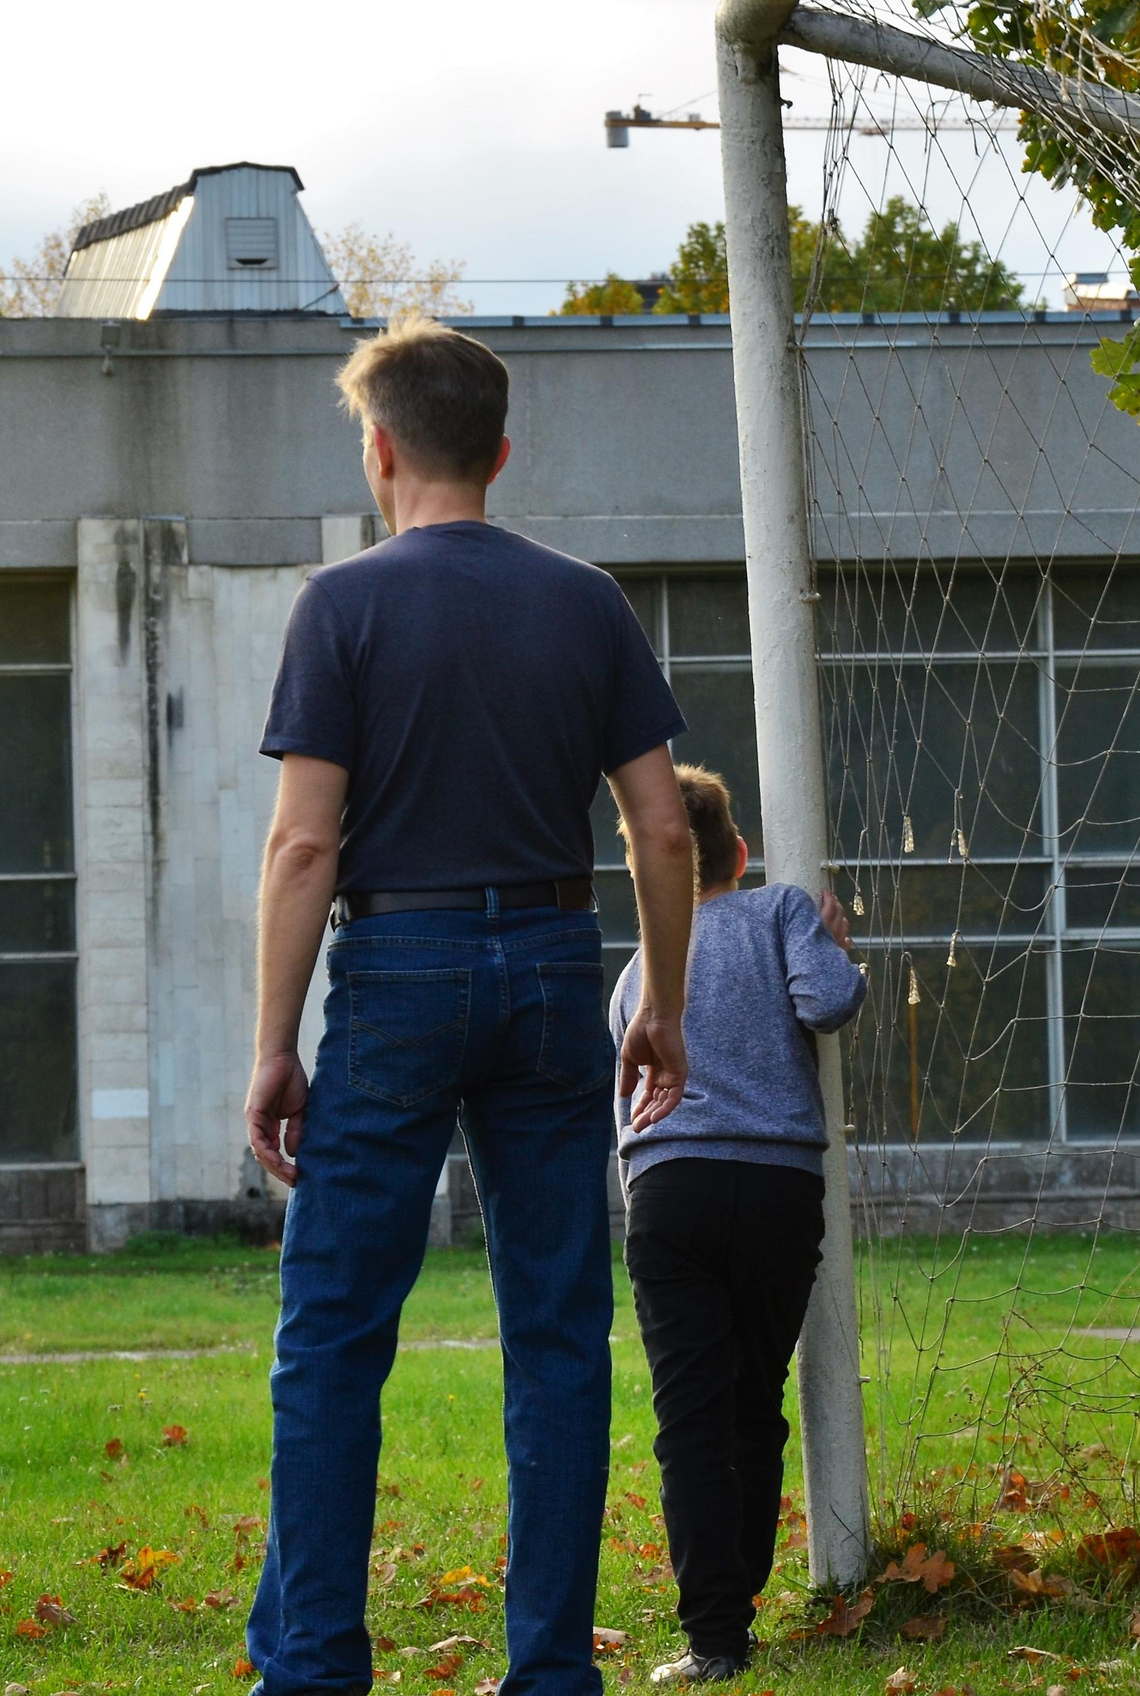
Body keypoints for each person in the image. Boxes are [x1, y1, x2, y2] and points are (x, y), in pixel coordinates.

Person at [243, 314, 699, 1696]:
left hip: (398, 976)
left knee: (335, 1328)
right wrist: (662, 1007)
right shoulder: (588, 602)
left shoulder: (343, 607)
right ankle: (553, 1671)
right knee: (558, 1330)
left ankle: (316, 1669)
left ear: (380, 450)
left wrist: (273, 1044)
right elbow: (664, 832)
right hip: (558, 973)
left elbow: (305, 845)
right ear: (500, 452)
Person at [607, 766, 865, 1686]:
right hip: (775, 1191)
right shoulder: (781, 912)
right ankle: (743, 1595)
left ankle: (715, 1638)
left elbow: (627, 1109)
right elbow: (827, 1004)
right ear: (741, 854)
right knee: (755, 1402)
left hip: (670, 1192)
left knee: (688, 1418)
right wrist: (834, 949)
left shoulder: (637, 974)